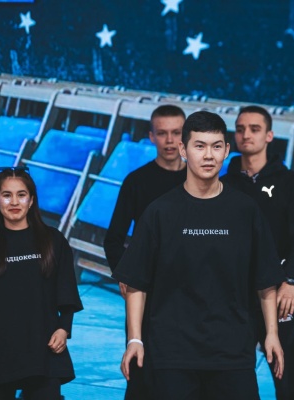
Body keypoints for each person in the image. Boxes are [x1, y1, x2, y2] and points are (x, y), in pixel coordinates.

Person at [113, 111, 285, 400]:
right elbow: (137, 283)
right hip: (172, 354)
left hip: (232, 353)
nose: (208, 155)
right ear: (184, 150)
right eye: (199, 146)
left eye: (216, 146)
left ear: (226, 151)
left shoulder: (246, 210)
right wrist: (135, 339)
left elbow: (265, 279)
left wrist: (272, 334)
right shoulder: (159, 212)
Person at [0, 166, 83, 400]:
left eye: (21, 195)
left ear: (31, 200)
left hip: (43, 347)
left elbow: (66, 291)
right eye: (7, 195)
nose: (14, 202)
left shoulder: (53, 240)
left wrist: (63, 328)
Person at [221, 105, 294, 399]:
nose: (246, 135)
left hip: (279, 294)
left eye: (254, 129)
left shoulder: (290, 184)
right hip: (234, 297)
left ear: (269, 136)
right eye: (240, 129)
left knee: (287, 380)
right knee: (229, 379)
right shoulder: (223, 185)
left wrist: (290, 281)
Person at [103, 104, 187, 399]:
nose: (169, 140)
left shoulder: (202, 181)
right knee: (140, 375)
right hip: (148, 291)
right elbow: (113, 240)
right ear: (151, 136)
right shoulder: (136, 181)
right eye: (162, 133)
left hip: (189, 293)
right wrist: (125, 277)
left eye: (176, 133)